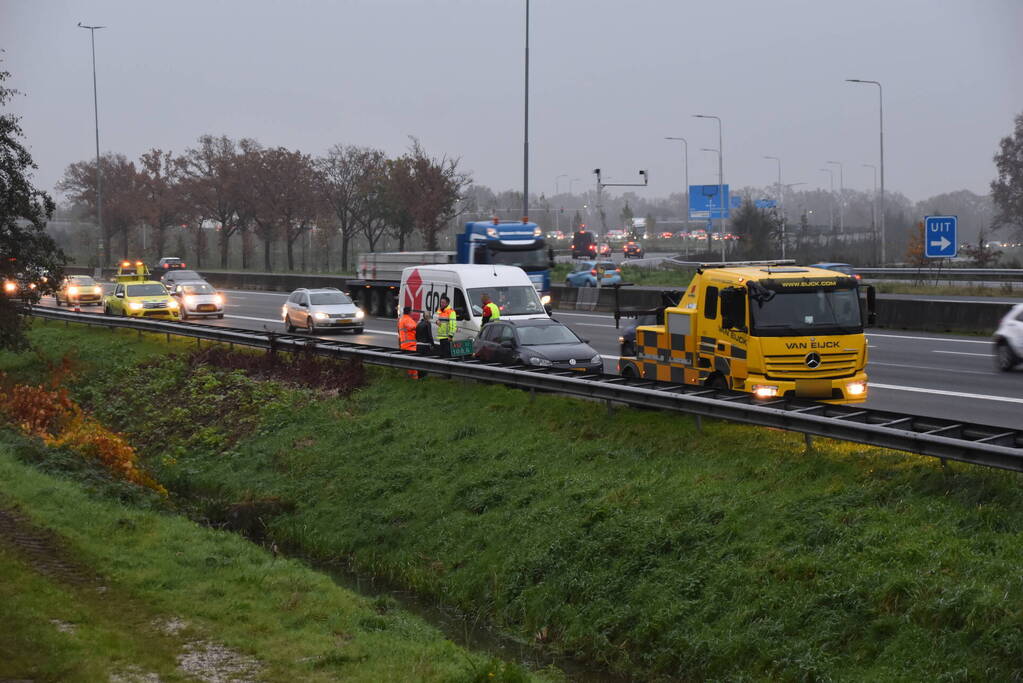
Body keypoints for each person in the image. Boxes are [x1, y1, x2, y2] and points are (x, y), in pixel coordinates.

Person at [398, 306, 419, 379]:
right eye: (411, 311)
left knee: (408, 363)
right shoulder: (408, 319)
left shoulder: (401, 319)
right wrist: (419, 324)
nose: (412, 312)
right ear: (410, 312)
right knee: (413, 363)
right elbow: (413, 327)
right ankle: (414, 379)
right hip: (410, 345)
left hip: (404, 344)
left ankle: (409, 378)